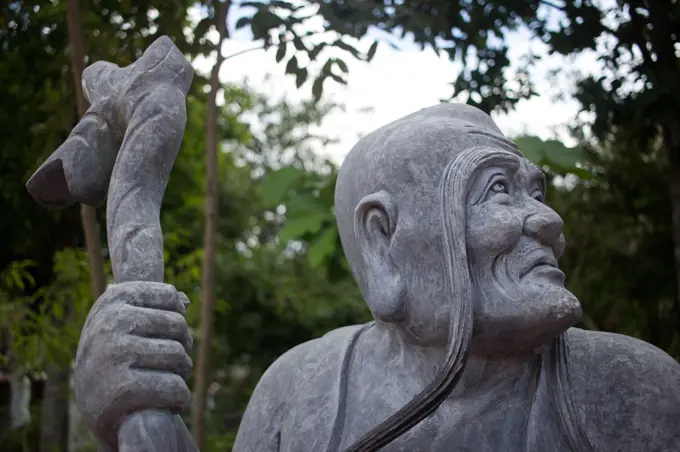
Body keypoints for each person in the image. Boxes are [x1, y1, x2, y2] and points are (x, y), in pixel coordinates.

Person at [75, 104, 680, 452]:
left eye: (537, 192)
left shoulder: (625, 388)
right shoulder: (300, 392)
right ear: (383, 240)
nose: (548, 220)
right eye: (497, 191)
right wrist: (132, 411)